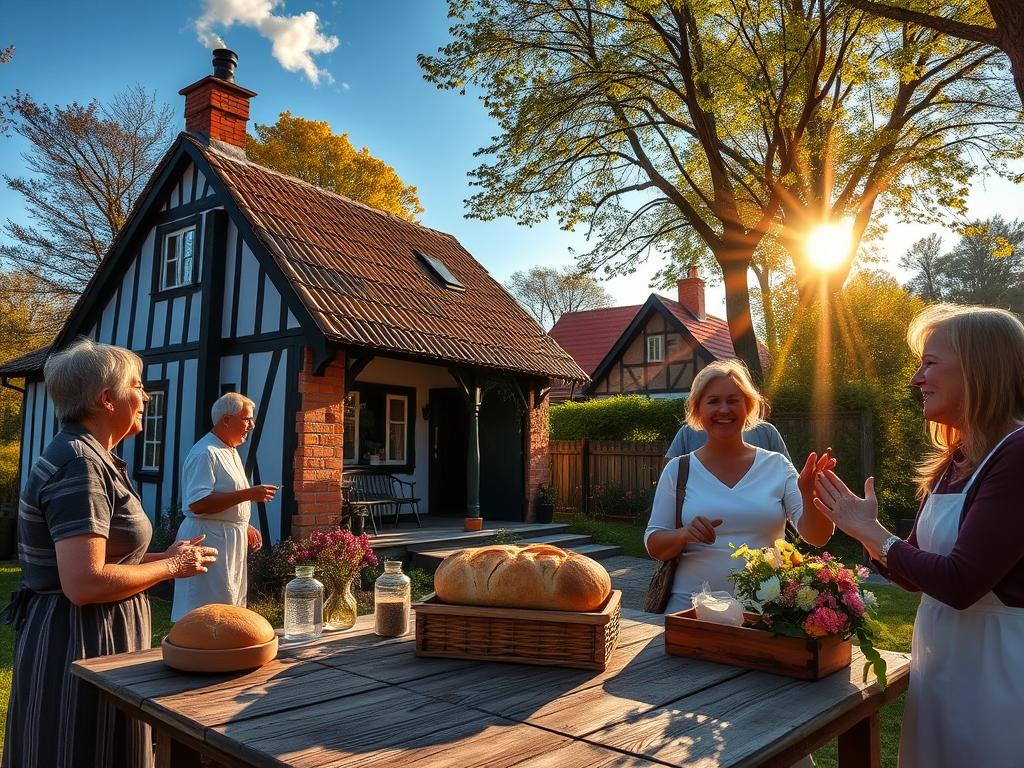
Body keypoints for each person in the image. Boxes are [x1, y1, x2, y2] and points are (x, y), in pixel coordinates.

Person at [813, 304, 1024, 768]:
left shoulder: (1017, 454)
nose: (915, 379)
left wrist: (872, 532)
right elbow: (914, 574)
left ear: (979, 368)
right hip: (943, 662)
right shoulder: (957, 459)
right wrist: (868, 533)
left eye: (930, 363)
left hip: (999, 670)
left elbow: (960, 583)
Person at [1, 339, 217, 768]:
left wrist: (161, 557)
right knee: (82, 750)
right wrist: (172, 566)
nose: (146, 396)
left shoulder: (90, 456)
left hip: (91, 632)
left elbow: (102, 560)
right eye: (137, 385)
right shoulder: (80, 464)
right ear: (106, 398)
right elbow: (84, 583)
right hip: (79, 639)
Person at [645, 359, 835, 613]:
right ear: (697, 409)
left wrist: (810, 494)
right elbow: (654, 544)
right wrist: (684, 534)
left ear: (748, 406)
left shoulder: (777, 466)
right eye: (713, 401)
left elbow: (817, 537)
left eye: (733, 400)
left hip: (766, 615)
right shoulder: (678, 470)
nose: (724, 409)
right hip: (689, 613)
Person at [171, 392, 278, 622]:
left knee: (229, 605)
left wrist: (243, 524)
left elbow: (226, 497)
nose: (251, 425)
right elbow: (198, 503)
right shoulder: (205, 452)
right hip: (209, 538)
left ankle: (225, 649)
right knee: (205, 609)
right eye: (246, 419)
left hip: (228, 537)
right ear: (226, 420)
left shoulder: (228, 451)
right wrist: (249, 494)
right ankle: (197, 652)